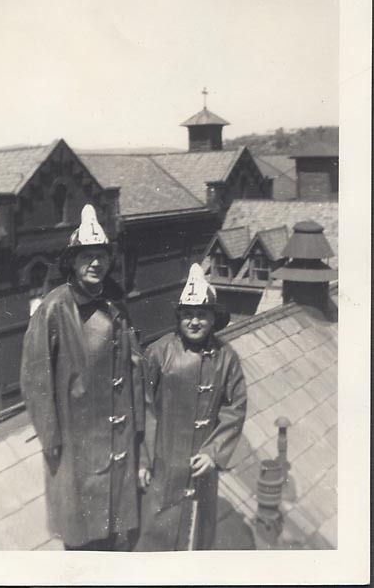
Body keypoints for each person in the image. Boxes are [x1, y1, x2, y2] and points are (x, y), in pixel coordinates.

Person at [21, 204, 145, 551]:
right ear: (72, 263)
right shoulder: (54, 308)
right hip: (75, 442)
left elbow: (135, 367)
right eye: (86, 256)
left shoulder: (115, 306)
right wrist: (52, 437)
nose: (96, 263)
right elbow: (35, 378)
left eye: (101, 256)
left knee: (111, 530)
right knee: (81, 534)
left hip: (115, 438)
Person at [135, 263, 247, 551]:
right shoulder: (159, 353)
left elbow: (234, 409)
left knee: (197, 538)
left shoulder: (227, 359)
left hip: (202, 469)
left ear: (213, 318)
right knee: (156, 535)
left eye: (201, 314)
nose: (194, 322)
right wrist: (144, 460)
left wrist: (214, 453)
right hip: (163, 464)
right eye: (188, 314)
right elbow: (143, 407)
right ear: (179, 318)